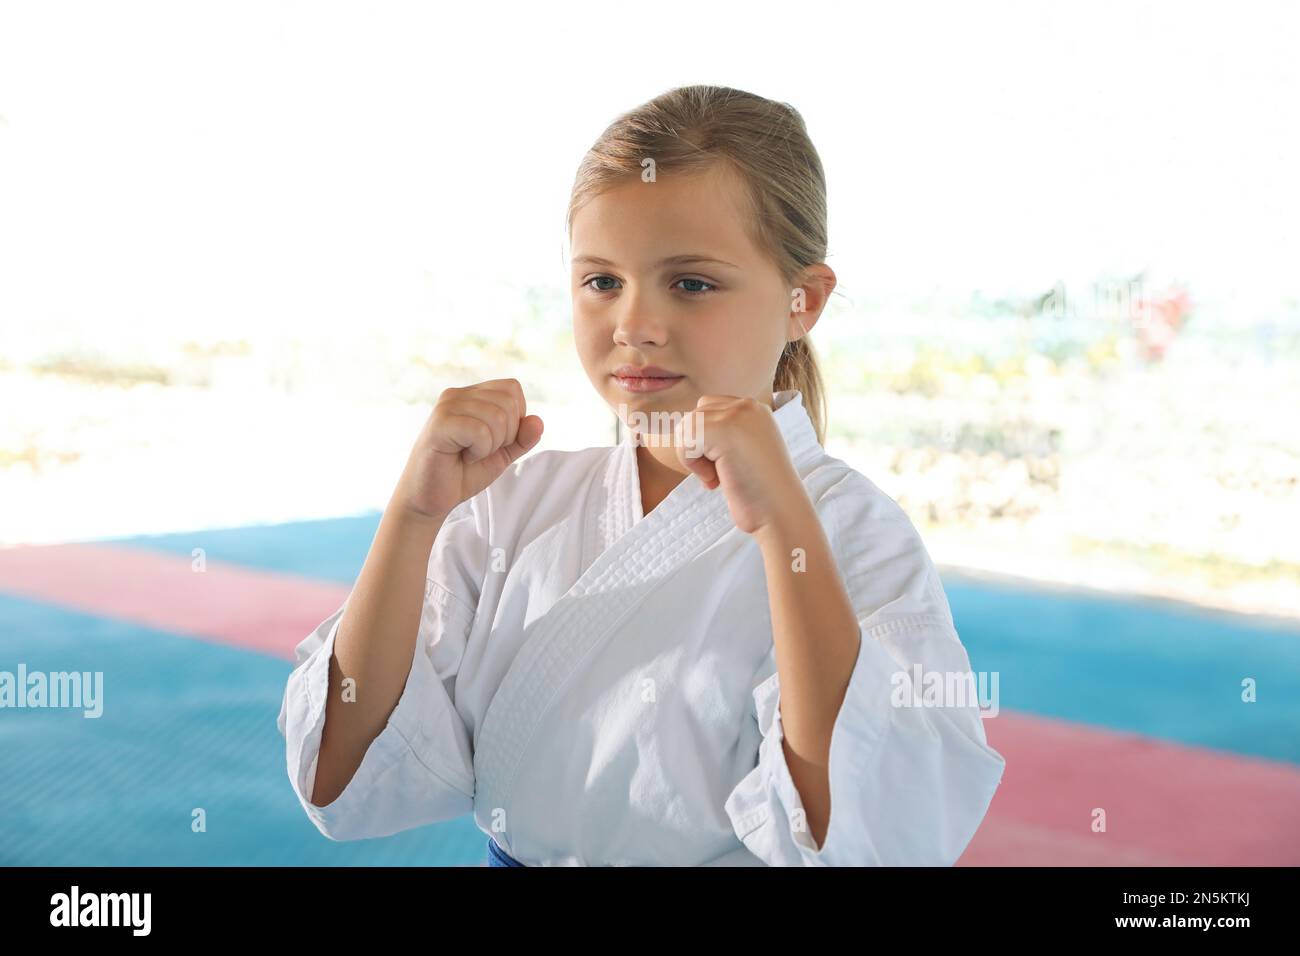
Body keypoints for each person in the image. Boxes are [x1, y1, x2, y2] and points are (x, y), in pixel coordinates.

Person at [277, 84, 1005, 866]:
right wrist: (413, 518)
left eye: (691, 283)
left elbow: (866, 835)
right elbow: (340, 778)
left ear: (805, 301)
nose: (633, 326)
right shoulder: (515, 503)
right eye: (601, 282)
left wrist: (786, 527)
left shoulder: (852, 534)